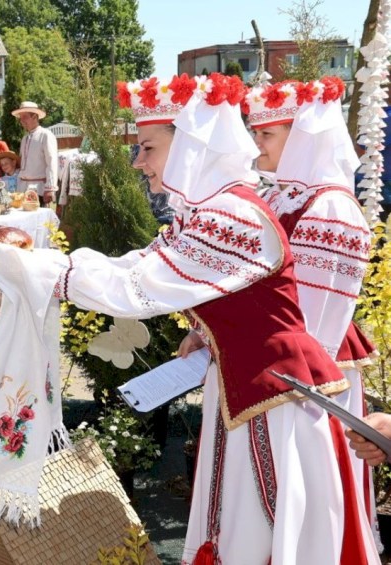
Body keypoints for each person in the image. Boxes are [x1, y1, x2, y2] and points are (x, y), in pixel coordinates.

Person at [53, 73, 379, 563]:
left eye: (147, 148)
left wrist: (44, 274)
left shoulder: (299, 208)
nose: (139, 162)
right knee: (242, 514)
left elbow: (314, 321)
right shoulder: (228, 209)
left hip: (282, 384)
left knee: (270, 516)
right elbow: (152, 270)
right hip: (251, 379)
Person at [245, 77, 381, 547]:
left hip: (315, 371)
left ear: (302, 137)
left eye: (266, 135)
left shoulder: (330, 207)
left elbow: (315, 316)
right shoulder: (284, 195)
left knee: (318, 483)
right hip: (285, 365)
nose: (255, 144)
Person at [12, 101, 58, 207]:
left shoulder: (46, 135)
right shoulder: (25, 138)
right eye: (20, 117)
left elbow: (52, 162)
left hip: (39, 189)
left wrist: (50, 188)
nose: (22, 121)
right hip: (22, 188)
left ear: (35, 117)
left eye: (25, 117)